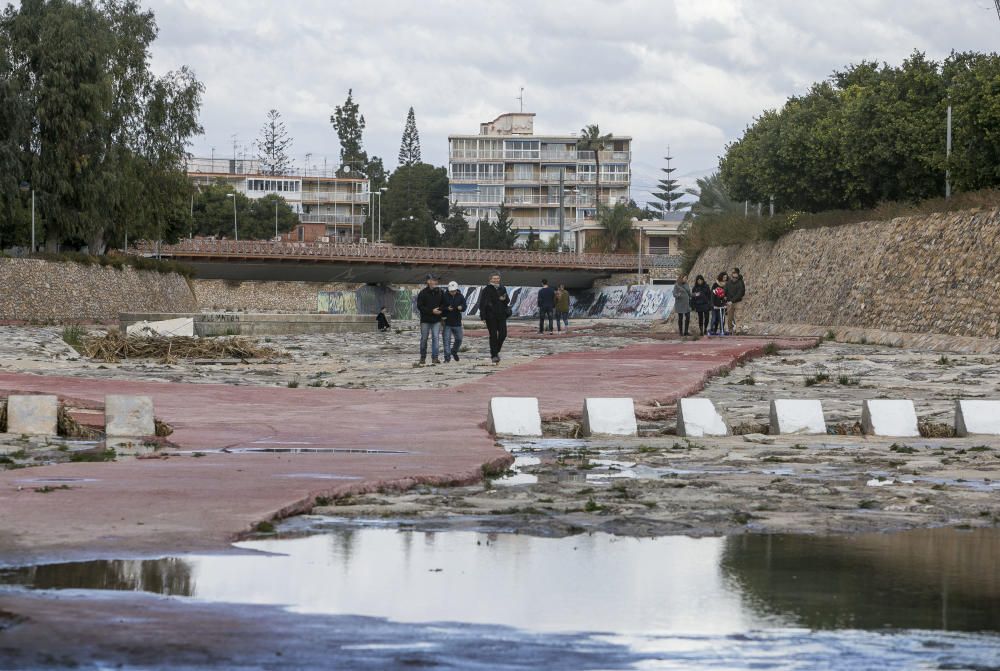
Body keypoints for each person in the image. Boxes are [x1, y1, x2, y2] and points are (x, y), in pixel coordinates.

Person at [479, 271, 510, 365]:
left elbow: (507, 301)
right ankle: (494, 355)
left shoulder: (502, 288)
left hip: (501, 315)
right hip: (490, 316)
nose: (496, 280)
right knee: (493, 335)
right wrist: (483, 316)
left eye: (498, 278)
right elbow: (482, 304)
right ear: (490, 279)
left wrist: (504, 299)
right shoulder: (486, 289)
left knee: (503, 334)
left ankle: (495, 351)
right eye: (494, 278)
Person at [415, 274, 445, 365]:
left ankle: (435, 358)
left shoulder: (441, 292)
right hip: (425, 320)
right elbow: (420, 307)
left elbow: (444, 304)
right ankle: (422, 358)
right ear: (428, 281)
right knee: (424, 339)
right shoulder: (423, 293)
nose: (436, 282)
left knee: (435, 338)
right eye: (433, 280)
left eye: (436, 280)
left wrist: (441, 310)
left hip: (436, 320)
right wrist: (432, 311)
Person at [442, 281, 467, 363]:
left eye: (454, 291)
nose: (452, 292)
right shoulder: (444, 296)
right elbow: (440, 306)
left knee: (459, 339)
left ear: (456, 289)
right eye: (451, 291)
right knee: (446, 340)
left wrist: (461, 307)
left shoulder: (460, 296)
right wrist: (446, 308)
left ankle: (454, 351)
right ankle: (447, 358)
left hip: (457, 322)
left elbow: (464, 306)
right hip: (447, 322)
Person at [726, 267, 746, 334]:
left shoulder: (741, 282)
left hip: (738, 301)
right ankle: (730, 329)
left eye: (734, 273)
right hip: (729, 302)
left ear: (737, 274)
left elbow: (740, 293)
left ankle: (738, 330)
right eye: (732, 273)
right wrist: (728, 299)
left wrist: (733, 300)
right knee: (730, 317)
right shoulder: (728, 283)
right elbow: (725, 291)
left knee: (738, 316)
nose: (733, 274)